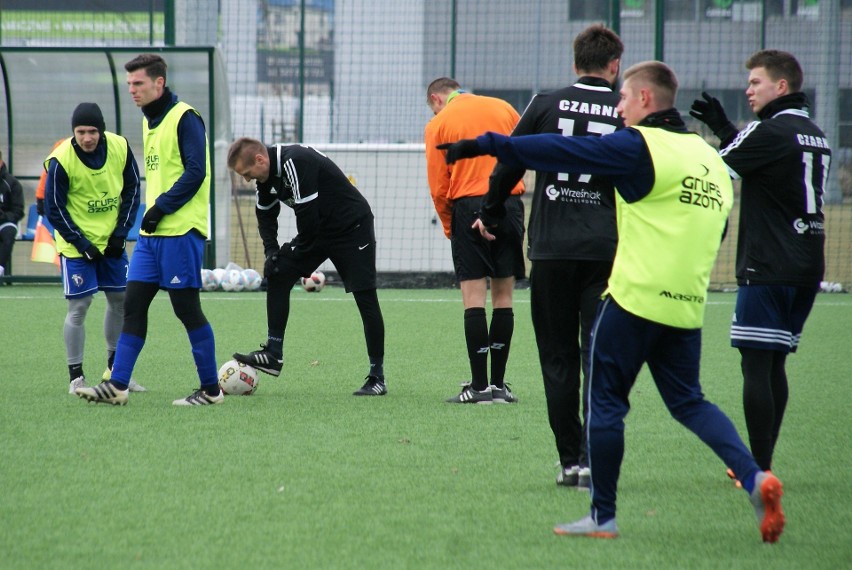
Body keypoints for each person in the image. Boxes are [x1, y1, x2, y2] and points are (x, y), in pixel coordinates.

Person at [439, 61, 785, 543]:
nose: (617, 107)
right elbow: (719, 229)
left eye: (623, 98)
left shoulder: (639, 145)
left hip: (631, 301)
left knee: (603, 402)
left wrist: (493, 143)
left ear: (645, 99)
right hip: (684, 306)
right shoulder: (710, 158)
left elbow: (564, 147)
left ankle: (602, 515)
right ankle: (756, 476)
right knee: (689, 402)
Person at [481, 24, 623, 485]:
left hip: (552, 249)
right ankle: (596, 458)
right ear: (614, 66)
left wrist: (492, 213)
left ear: (575, 62)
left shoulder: (545, 102)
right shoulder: (625, 110)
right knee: (597, 356)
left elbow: (508, 164)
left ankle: (571, 462)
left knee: (557, 358)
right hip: (607, 250)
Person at [690, 50, 830, 478]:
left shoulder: (769, 130)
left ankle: (757, 468)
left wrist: (710, 131)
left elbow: (720, 166)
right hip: (808, 264)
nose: (749, 90)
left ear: (781, 86)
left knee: (755, 363)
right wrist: (724, 128)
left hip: (768, 265)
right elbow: (756, 161)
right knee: (774, 364)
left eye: (755, 82)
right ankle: (762, 460)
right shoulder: (814, 133)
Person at [75, 53, 221, 406]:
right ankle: (118, 384)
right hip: (152, 235)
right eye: (129, 85)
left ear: (159, 83)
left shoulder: (185, 118)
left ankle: (212, 390)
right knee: (134, 304)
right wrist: (152, 217)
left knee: (187, 309)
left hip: (180, 231)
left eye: (138, 84)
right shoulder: (149, 121)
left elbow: (196, 172)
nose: (132, 91)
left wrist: (159, 209)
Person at [228, 137, 387, 397]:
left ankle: (377, 377)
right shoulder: (264, 180)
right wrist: (271, 253)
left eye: (246, 174)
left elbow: (308, 221)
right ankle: (273, 353)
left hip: (351, 228)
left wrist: (291, 251)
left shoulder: (295, 161)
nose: (247, 179)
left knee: (365, 297)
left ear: (260, 160)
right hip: (319, 230)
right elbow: (265, 217)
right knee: (277, 272)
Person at [423, 77, 525, 404]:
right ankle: (499, 386)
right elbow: (523, 153)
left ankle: (478, 387)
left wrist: (450, 226)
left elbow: (439, 186)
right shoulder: (505, 108)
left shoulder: (439, 123)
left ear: (437, 99)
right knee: (504, 296)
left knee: (474, 297)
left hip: (467, 206)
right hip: (509, 203)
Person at [44, 103, 146, 395]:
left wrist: (120, 234)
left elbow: (132, 190)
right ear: (73, 132)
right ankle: (76, 377)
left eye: (92, 131)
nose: (87, 138)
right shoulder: (61, 159)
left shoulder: (120, 147)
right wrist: (81, 243)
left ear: (101, 130)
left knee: (120, 301)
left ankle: (115, 373)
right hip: (77, 246)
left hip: (110, 241)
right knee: (79, 307)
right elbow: (54, 208)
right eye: (80, 132)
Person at [0, 149, 24, 278]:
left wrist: (3, 217)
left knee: (8, 233)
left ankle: (0, 268)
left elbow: (18, 211)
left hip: (5, 223)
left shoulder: (12, 183)